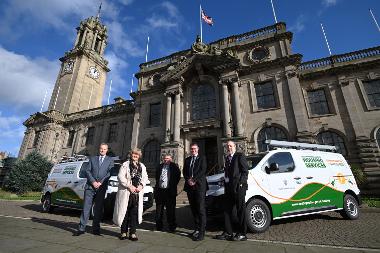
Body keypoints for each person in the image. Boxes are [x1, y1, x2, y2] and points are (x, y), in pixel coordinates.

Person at [74, 143, 114, 236]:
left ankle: (96, 229)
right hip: (90, 187)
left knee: (98, 209)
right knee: (86, 208)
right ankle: (81, 228)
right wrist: (93, 182)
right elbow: (87, 171)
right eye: (101, 149)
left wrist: (100, 182)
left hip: (101, 187)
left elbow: (109, 173)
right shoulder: (92, 158)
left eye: (104, 149)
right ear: (99, 149)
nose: (102, 150)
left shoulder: (110, 160)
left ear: (107, 150)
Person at [214, 141, 249, 241]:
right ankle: (228, 232)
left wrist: (241, 184)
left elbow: (245, 171)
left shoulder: (239, 156)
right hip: (228, 188)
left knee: (240, 210)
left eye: (230, 146)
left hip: (238, 188)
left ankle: (242, 233)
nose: (229, 147)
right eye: (227, 146)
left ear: (235, 147)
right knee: (227, 210)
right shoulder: (227, 158)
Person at [113, 149, 148, 241]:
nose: (135, 156)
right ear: (131, 155)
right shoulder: (125, 165)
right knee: (125, 212)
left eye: (137, 154)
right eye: (134, 154)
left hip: (137, 193)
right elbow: (120, 177)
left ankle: (133, 233)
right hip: (126, 192)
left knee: (134, 213)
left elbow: (145, 178)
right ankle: (123, 232)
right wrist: (129, 186)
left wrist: (141, 186)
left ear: (139, 156)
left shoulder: (142, 166)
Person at [183, 143, 207, 241]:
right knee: (193, 209)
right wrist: (188, 179)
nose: (193, 150)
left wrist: (194, 179)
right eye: (192, 149)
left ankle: (202, 232)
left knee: (200, 209)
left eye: (195, 149)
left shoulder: (202, 158)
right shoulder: (187, 159)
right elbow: (184, 171)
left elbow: (203, 170)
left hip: (200, 186)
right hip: (189, 187)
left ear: (198, 149)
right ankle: (197, 229)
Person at [154, 154, 181, 232]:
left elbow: (178, 176)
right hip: (160, 191)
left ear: (171, 159)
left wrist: (172, 185)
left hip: (169, 191)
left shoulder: (174, 166)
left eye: (168, 159)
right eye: (165, 158)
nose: (166, 160)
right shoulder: (159, 166)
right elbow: (157, 176)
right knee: (159, 210)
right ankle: (158, 226)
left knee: (170, 210)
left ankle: (172, 226)